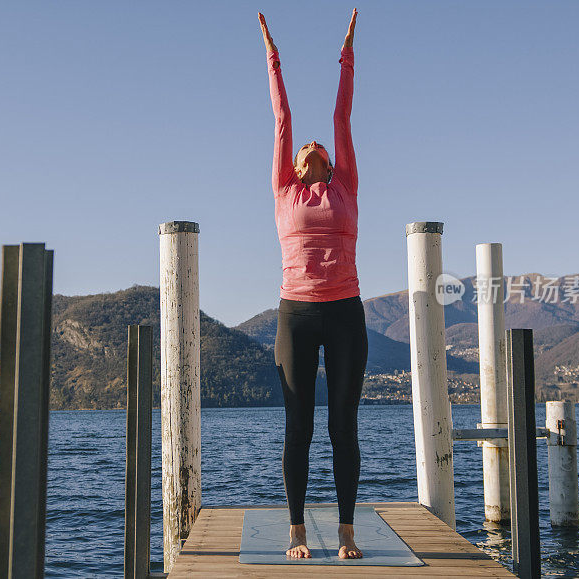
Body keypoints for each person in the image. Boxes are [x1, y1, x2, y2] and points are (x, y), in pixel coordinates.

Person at [259, 9, 367, 560]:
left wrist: (346, 53)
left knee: (342, 426)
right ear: (295, 165)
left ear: (328, 162)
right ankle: (297, 530)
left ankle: (347, 530)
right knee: (298, 425)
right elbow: (283, 116)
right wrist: (272, 56)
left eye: (315, 149)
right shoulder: (284, 191)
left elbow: (340, 112)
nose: (308, 149)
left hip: (346, 310)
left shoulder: (343, 183)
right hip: (296, 314)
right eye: (302, 150)